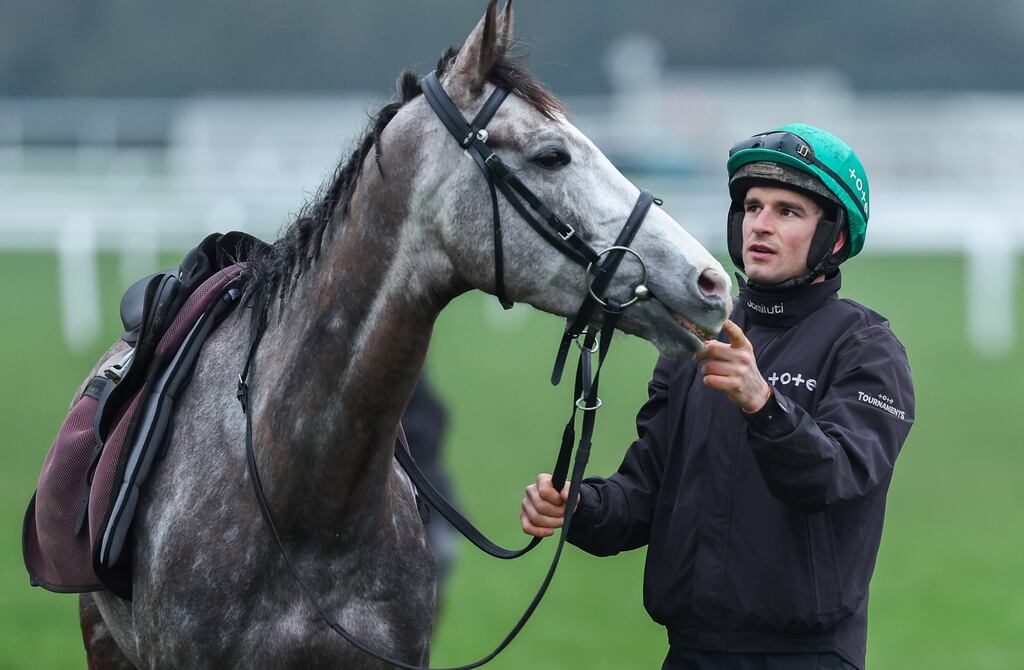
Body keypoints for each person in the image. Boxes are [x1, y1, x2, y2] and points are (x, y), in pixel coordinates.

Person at [520, 123, 914, 670]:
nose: (761, 225)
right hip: (690, 654)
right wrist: (580, 506)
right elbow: (646, 492)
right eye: (753, 207)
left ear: (836, 237)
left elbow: (834, 478)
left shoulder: (866, 348)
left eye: (788, 211)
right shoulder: (697, 340)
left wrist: (764, 404)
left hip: (807, 657)